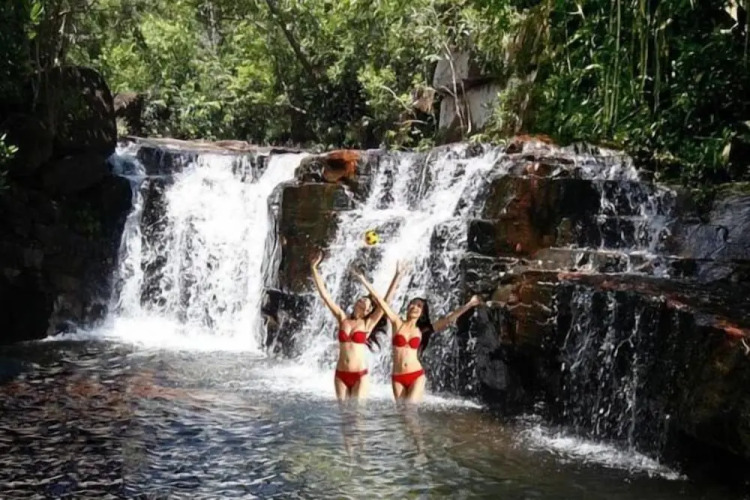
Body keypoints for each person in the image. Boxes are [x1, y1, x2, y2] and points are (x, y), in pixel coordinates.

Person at [352, 269, 483, 402]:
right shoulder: (397, 323)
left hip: (415, 375)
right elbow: (382, 302)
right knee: (402, 412)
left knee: (410, 410)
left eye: (419, 306)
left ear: (422, 313)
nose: (414, 307)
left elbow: (449, 319)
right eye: (412, 304)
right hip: (397, 377)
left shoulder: (423, 330)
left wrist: (470, 304)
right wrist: (366, 280)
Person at [310, 251, 405, 401]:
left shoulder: (368, 323)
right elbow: (325, 296)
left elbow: (386, 301)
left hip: (359, 375)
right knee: (343, 414)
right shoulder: (342, 318)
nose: (363, 300)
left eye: (367, 302)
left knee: (357, 414)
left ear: (369, 310)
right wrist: (313, 269)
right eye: (361, 298)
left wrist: (397, 275)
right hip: (340, 374)